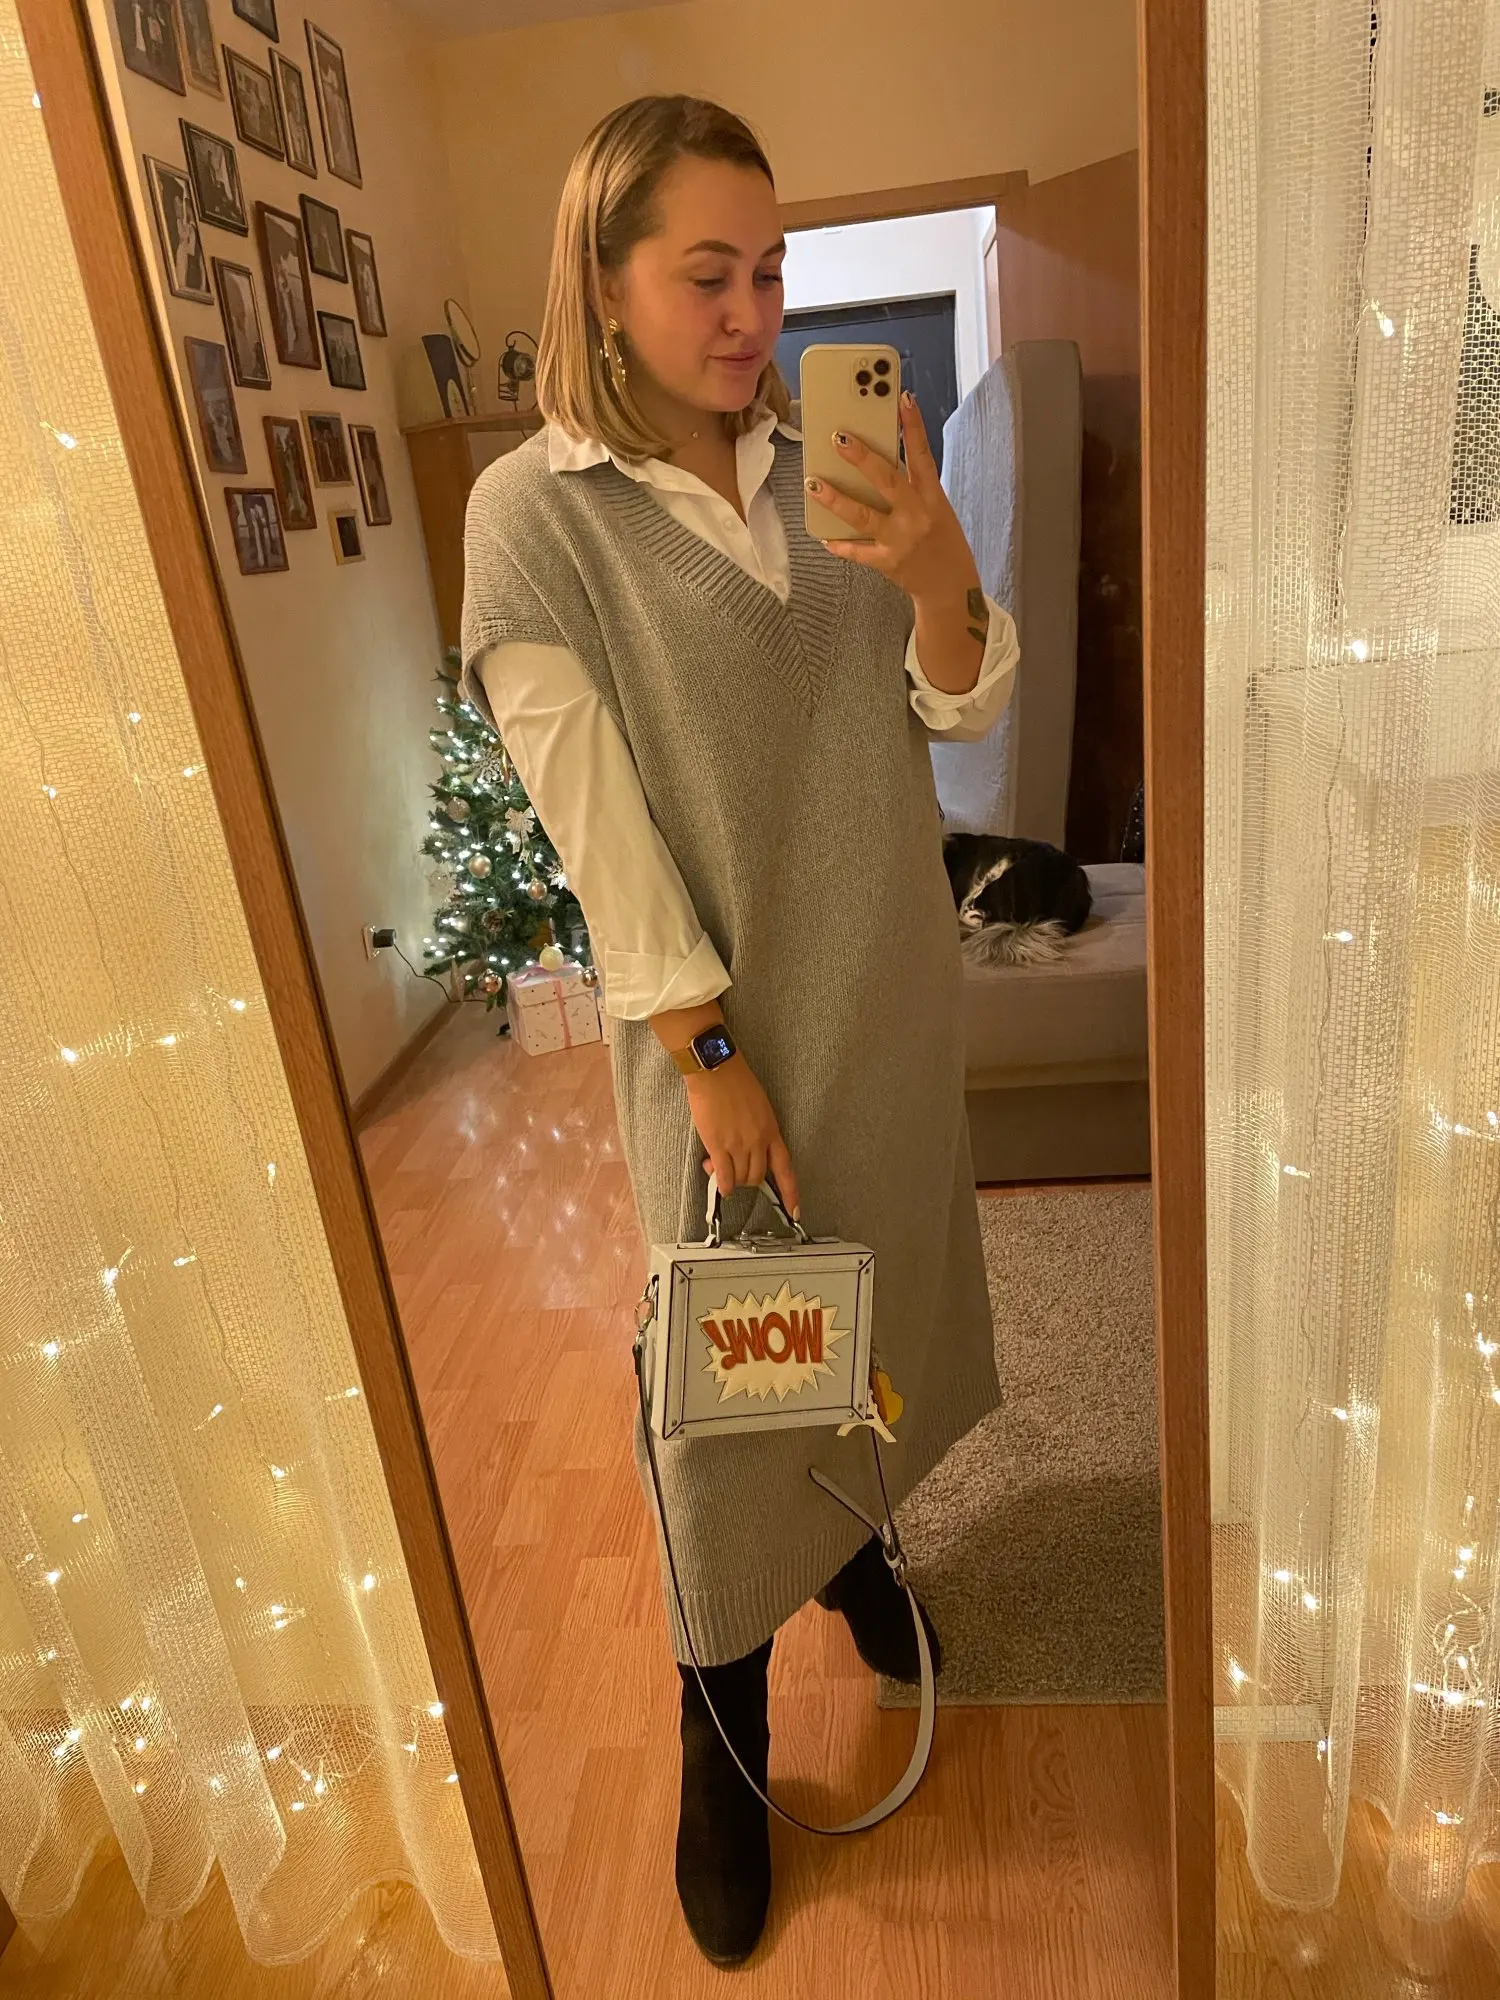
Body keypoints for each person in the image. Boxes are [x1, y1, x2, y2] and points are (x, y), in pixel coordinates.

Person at [459, 95, 1018, 1967]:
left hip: (886, 993)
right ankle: (724, 1734)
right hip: (720, 1031)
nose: (752, 313)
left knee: (879, 1313)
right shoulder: (538, 518)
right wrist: (705, 1052)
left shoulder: (831, 463)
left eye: (771, 271)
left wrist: (936, 568)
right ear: (605, 280)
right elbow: (596, 830)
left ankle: (850, 1549)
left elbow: (958, 703)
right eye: (707, 273)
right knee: (723, 1384)